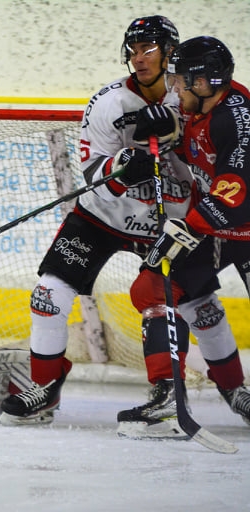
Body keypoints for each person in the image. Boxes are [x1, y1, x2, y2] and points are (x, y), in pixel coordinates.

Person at [0, 16, 240, 429]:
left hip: (172, 222)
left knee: (199, 307)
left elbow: (210, 158)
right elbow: (92, 173)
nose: (138, 58)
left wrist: (175, 139)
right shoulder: (108, 102)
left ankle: (233, 391)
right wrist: (123, 166)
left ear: (169, 53)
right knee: (48, 293)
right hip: (103, 217)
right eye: (132, 50)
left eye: (148, 49)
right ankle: (44, 388)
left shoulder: (193, 98)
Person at [122, 36, 250, 434]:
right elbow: (174, 128)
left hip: (236, 220)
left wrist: (183, 228)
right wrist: (158, 133)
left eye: (181, 81)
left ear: (204, 82)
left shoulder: (238, 120)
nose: (174, 88)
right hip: (216, 227)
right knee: (151, 288)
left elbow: (236, 196)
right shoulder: (199, 103)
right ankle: (176, 396)